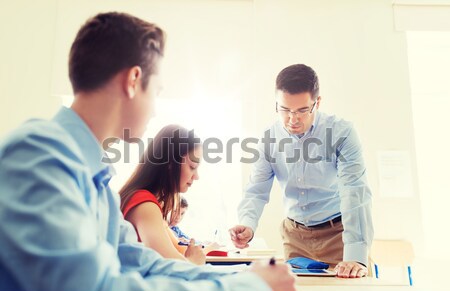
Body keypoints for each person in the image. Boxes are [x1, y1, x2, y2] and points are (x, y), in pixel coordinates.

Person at [0, 12, 296, 291]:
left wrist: (245, 277)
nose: (155, 109)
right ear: (133, 81)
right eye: (156, 91)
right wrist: (246, 286)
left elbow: (147, 266)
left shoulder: (98, 183)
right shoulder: (39, 156)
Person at [229, 64, 374, 279]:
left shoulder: (341, 132)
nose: (292, 119)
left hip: (339, 235)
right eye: (284, 110)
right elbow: (256, 190)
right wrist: (248, 224)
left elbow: (354, 191)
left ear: (317, 103)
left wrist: (355, 254)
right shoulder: (269, 138)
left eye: (302, 110)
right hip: (294, 237)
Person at [120, 124, 206, 265]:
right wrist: (194, 261)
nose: (196, 176)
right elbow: (174, 268)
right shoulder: (145, 204)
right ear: (170, 163)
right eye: (192, 167)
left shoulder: (142, 200)